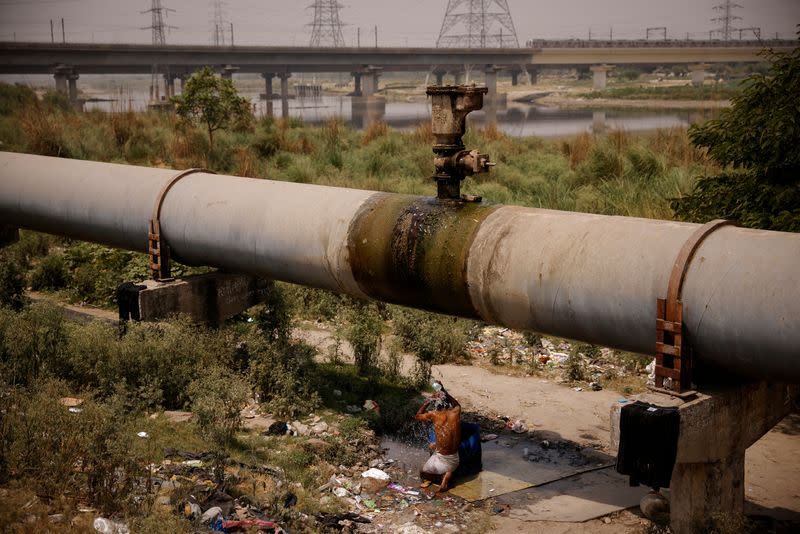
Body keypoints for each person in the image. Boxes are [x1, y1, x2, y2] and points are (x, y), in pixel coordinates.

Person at [415, 382, 461, 492]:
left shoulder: (434, 414)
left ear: (436, 407)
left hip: (443, 461)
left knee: (422, 473)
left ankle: (443, 476)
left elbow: (417, 416)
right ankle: (447, 473)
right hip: (455, 461)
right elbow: (456, 404)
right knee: (434, 446)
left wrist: (429, 400)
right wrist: (444, 391)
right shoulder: (455, 412)